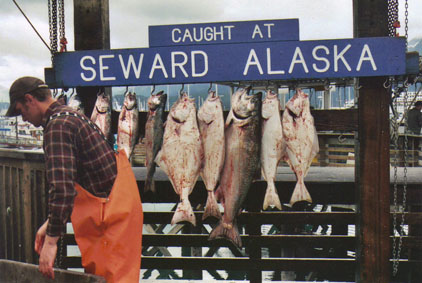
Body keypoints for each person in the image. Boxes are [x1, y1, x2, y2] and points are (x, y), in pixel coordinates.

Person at [6, 76, 143, 282]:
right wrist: (51, 223)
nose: (23, 118)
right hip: (120, 210)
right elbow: (78, 180)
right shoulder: (71, 116)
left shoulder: (57, 126)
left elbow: (62, 189)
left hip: (109, 219)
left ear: (30, 99)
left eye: (20, 110)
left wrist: (51, 243)